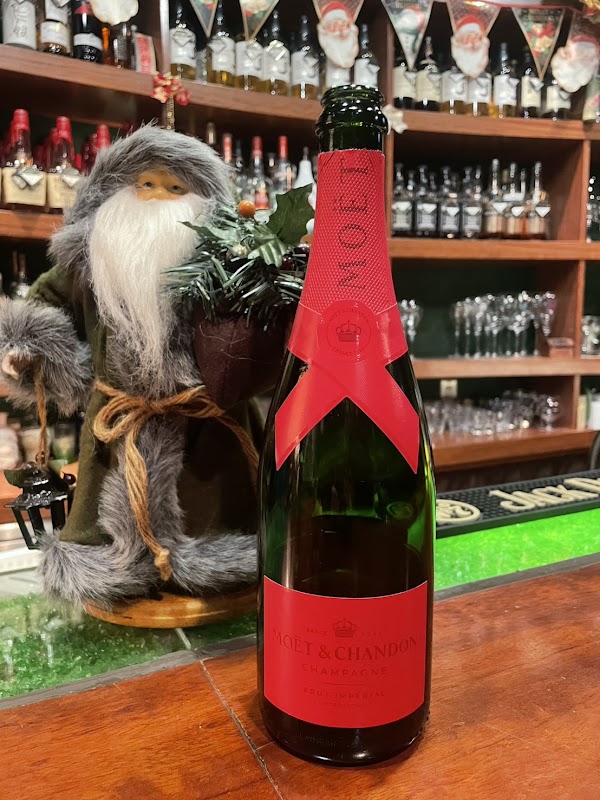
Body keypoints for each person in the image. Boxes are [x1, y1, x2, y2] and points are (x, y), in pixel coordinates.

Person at [0, 126, 258, 607]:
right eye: (146, 183)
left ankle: (212, 557)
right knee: (106, 536)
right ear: (114, 189)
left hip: (207, 426)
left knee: (217, 514)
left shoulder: (230, 261)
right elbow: (44, 303)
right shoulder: (89, 257)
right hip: (117, 427)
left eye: (175, 186)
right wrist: (31, 344)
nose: (158, 197)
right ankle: (113, 563)